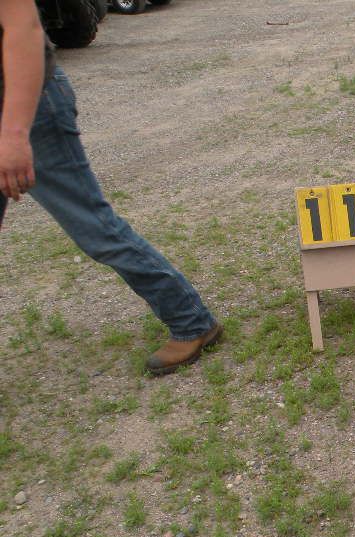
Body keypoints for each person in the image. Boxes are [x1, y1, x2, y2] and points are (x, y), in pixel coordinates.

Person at [0, 0, 221, 375]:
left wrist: (15, 132)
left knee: (95, 228)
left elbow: (24, 30)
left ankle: (191, 322)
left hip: (26, 110)